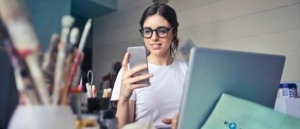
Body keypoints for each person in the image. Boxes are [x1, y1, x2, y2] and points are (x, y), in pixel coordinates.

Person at [111, 3, 187, 129]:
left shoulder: (188, 70)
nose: (154, 38)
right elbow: (123, 127)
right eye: (148, 31)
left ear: (173, 32)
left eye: (162, 31)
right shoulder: (131, 72)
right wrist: (123, 98)